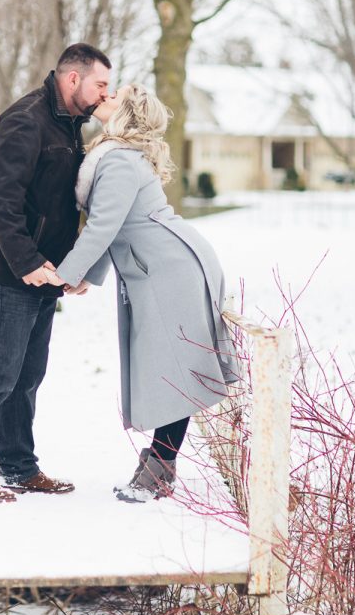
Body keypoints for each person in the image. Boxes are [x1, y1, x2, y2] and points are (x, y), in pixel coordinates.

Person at [47, 83, 240, 502]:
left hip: (170, 271)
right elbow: (110, 226)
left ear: (128, 114)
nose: (105, 96)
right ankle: (158, 462)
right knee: (171, 364)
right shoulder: (118, 156)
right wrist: (86, 276)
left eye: (114, 95)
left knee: (176, 366)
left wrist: (67, 275)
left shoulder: (118, 161)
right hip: (163, 265)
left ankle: (160, 470)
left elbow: (102, 228)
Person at [0, 43, 112, 502]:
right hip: (9, 271)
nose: (105, 94)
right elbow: (2, 203)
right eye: (101, 84)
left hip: (45, 274)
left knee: (28, 374)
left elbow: (60, 206)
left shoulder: (68, 124)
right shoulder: (26, 120)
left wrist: (67, 269)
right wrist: (26, 264)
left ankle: (19, 466)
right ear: (73, 78)